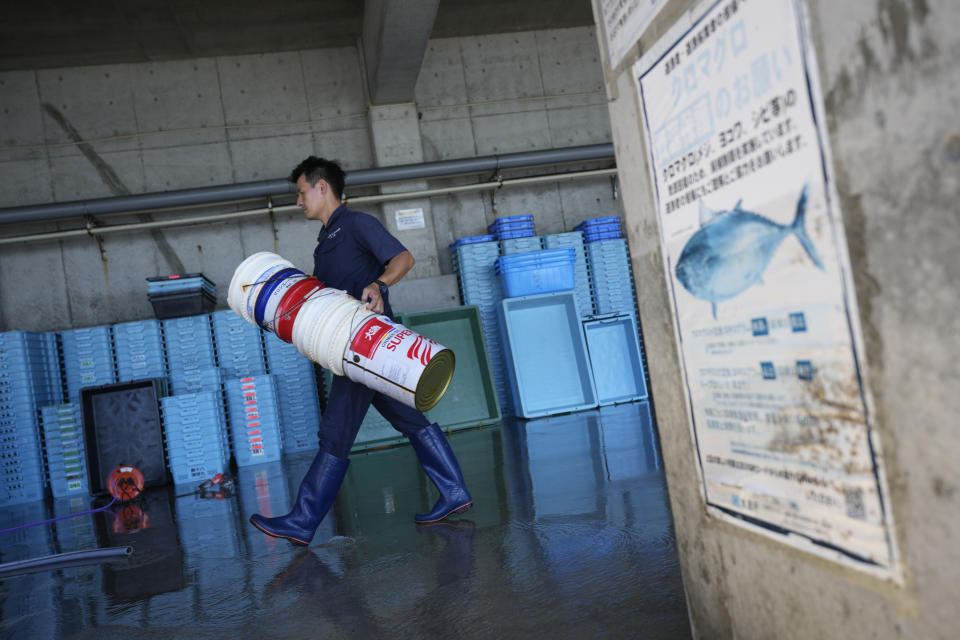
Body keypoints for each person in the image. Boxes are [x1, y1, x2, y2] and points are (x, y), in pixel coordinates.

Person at [249, 156, 473, 546]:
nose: (298, 201)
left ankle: (303, 520)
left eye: (301, 193)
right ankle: (454, 491)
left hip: (366, 347)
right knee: (409, 419)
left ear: (322, 188)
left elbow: (403, 258)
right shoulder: (326, 243)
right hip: (353, 349)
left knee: (336, 433)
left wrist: (378, 285)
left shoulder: (356, 224)